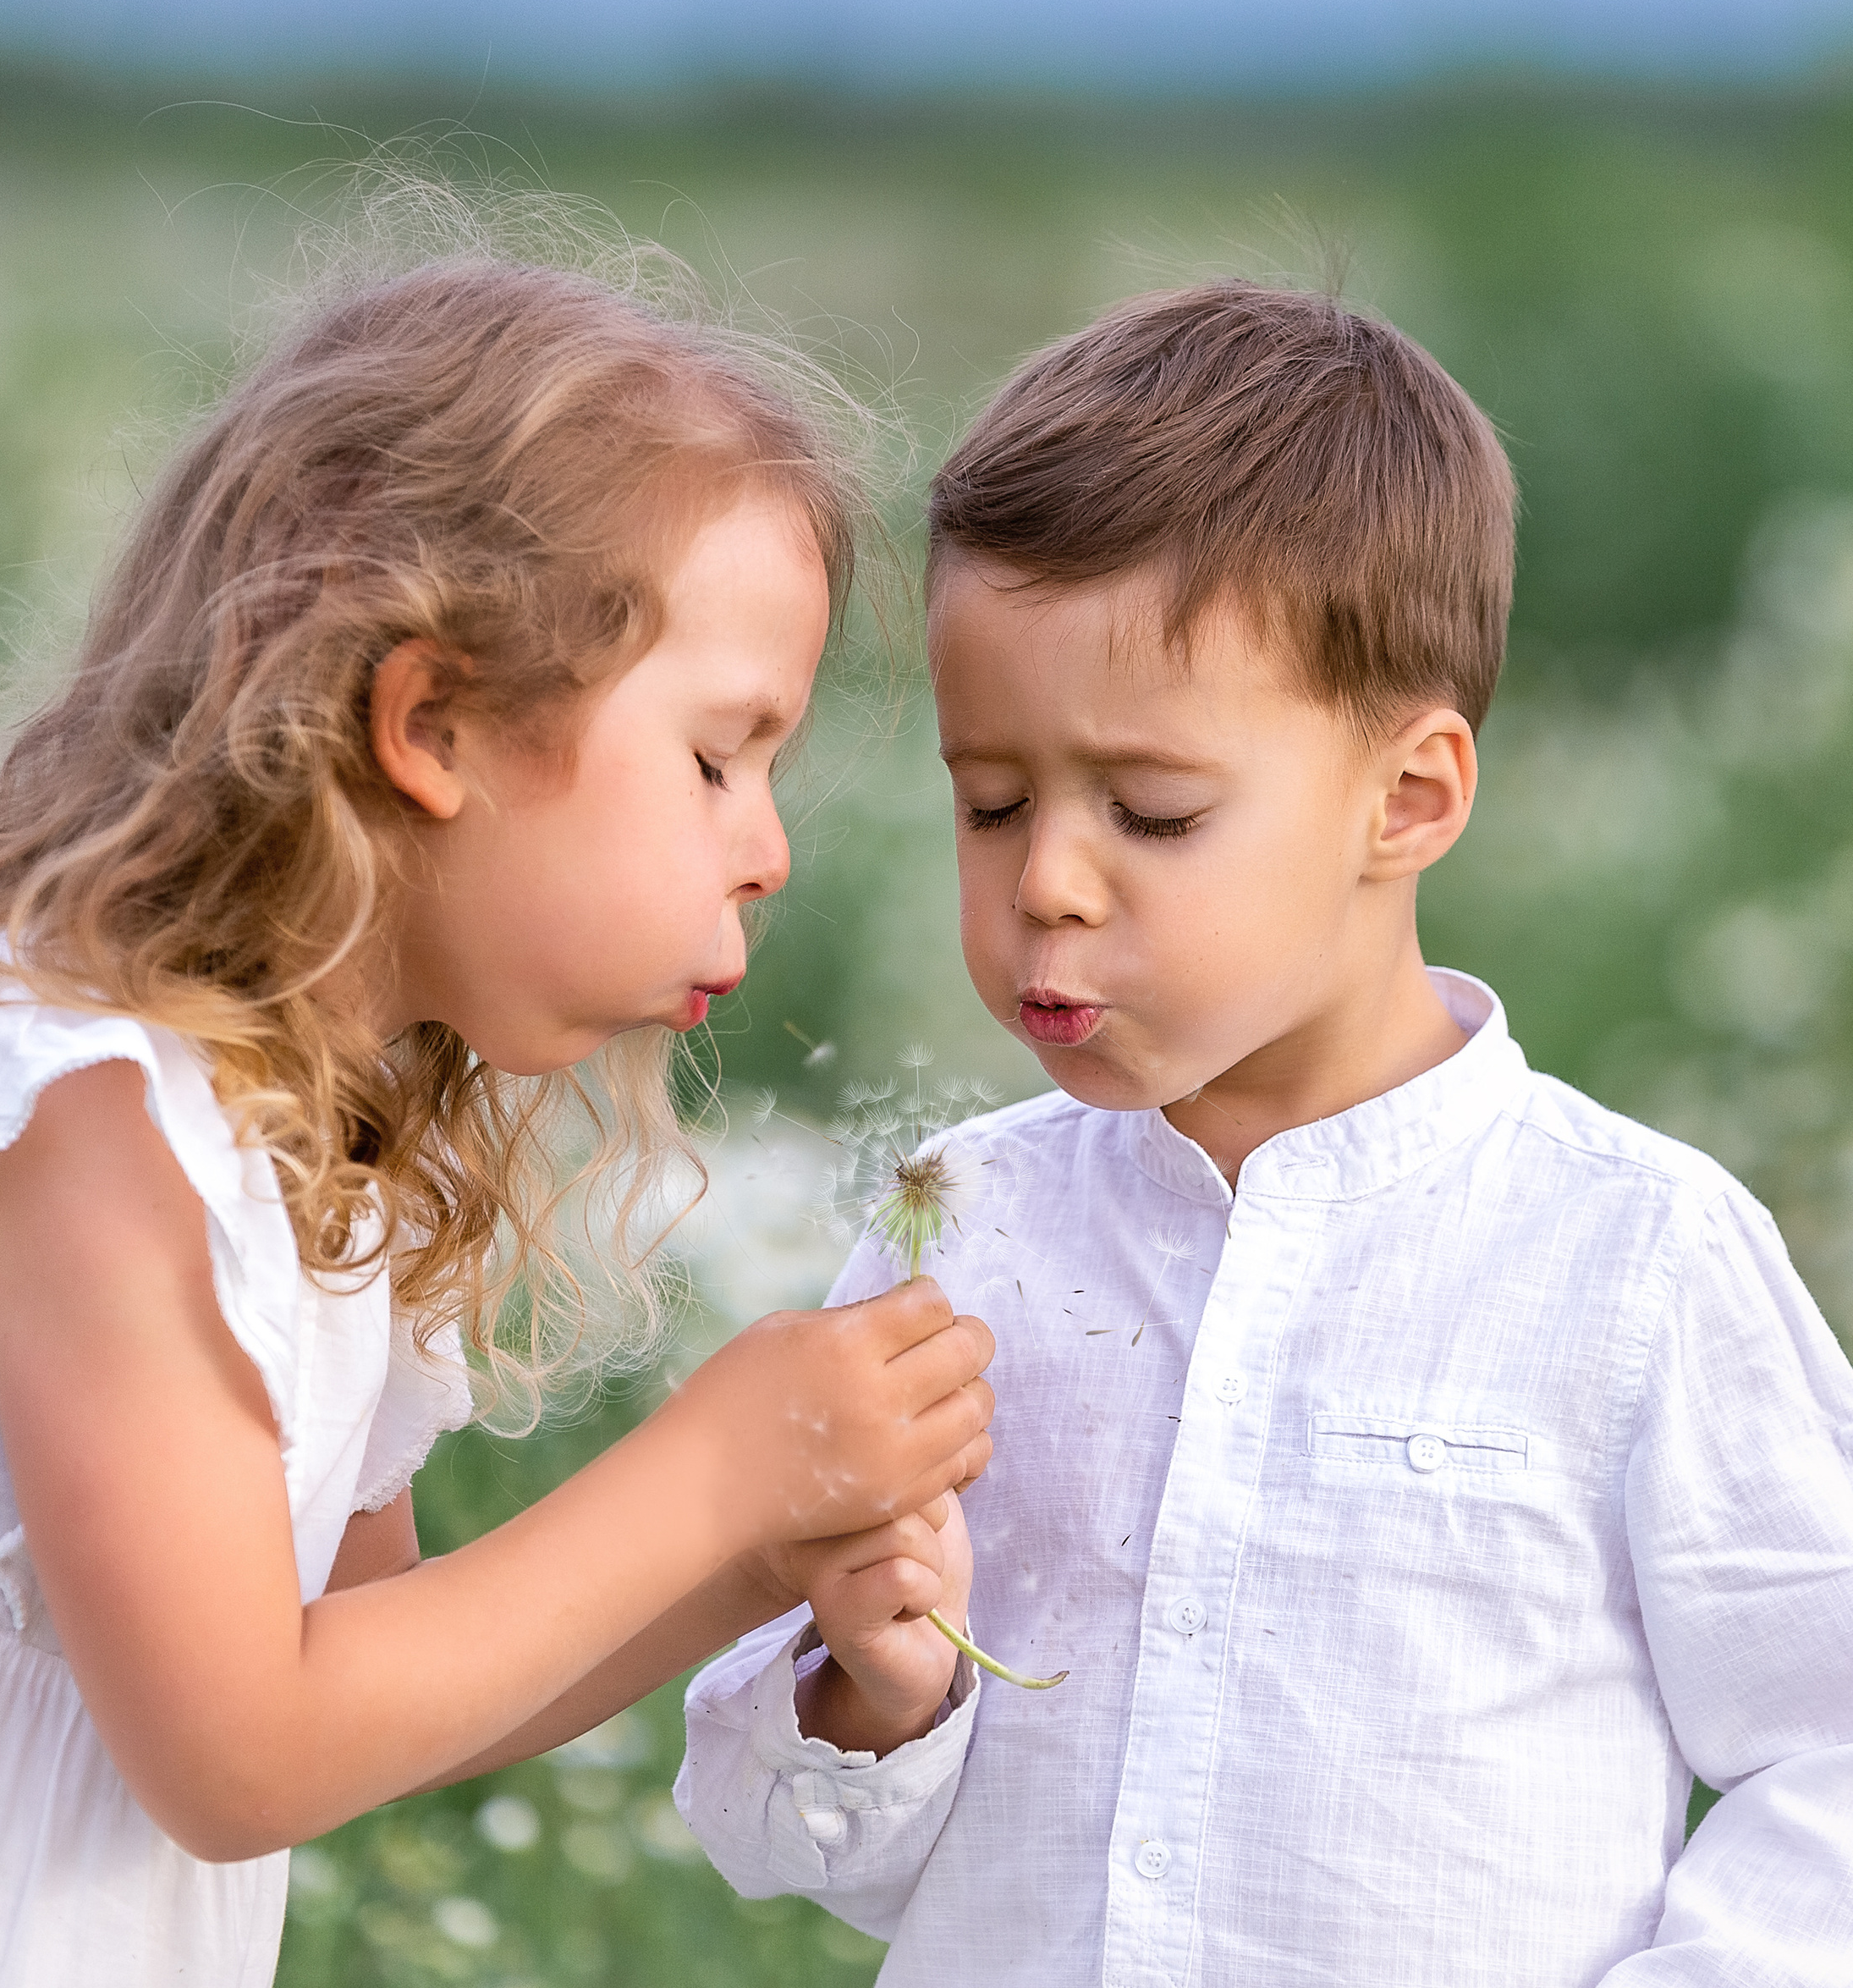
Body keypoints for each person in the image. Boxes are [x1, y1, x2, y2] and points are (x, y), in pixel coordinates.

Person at [0, 252, 997, 1987]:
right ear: (431, 722)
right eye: (712, 757)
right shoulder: (82, 1123)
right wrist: (714, 1465)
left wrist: (766, 1547)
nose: (766, 847)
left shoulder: (305, 1153)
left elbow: (374, 1674)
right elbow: (243, 1752)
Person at [677, 283, 1853, 1984]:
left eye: (1150, 811)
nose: (1043, 883)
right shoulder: (962, 1236)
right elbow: (779, 1838)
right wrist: (875, 1681)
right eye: (988, 798)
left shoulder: (1629, 1259)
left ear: (1408, 797)